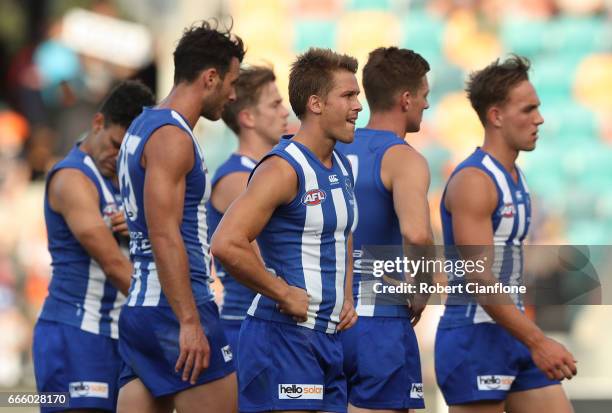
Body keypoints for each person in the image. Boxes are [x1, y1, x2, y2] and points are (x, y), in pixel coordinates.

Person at [211, 47, 361, 413]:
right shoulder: (282, 168)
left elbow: (342, 233)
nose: (358, 106)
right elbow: (226, 243)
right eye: (348, 95)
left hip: (327, 339)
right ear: (315, 104)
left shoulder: (341, 164)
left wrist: (347, 295)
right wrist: (282, 292)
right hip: (283, 336)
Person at [435, 55, 576, 413]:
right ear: (496, 116)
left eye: (538, 108)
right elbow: (479, 279)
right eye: (528, 109)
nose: (539, 118)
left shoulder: (516, 177)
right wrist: (539, 341)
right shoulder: (474, 181)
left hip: (513, 333)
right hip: (475, 336)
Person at [116, 21, 244, 413]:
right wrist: (189, 321)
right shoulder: (172, 137)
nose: (233, 94)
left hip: (142, 307)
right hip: (175, 309)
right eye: (231, 82)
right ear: (209, 78)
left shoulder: (142, 124)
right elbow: (164, 234)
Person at [33, 80, 155, 413]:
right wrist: (174, 314)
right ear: (98, 123)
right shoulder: (72, 179)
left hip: (121, 334)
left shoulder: (129, 180)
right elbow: (114, 265)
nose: (118, 157)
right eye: (115, 144)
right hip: (75, 333)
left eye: (128, 149)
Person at [336, 47, 433, 413]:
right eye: (424, 95)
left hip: (329, 316)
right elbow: (418, 233)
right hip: (379, 320)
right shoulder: (403, 157)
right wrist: (423, 287)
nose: (426, 105)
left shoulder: (332, 147)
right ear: (406, 99)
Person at [207, 65, 289, 356]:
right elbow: (263, 260)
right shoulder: (236, 178)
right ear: (248, 117)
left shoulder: (269, 171)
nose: (285, 112)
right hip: (248, 325)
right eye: (275, 104)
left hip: (276, 324)